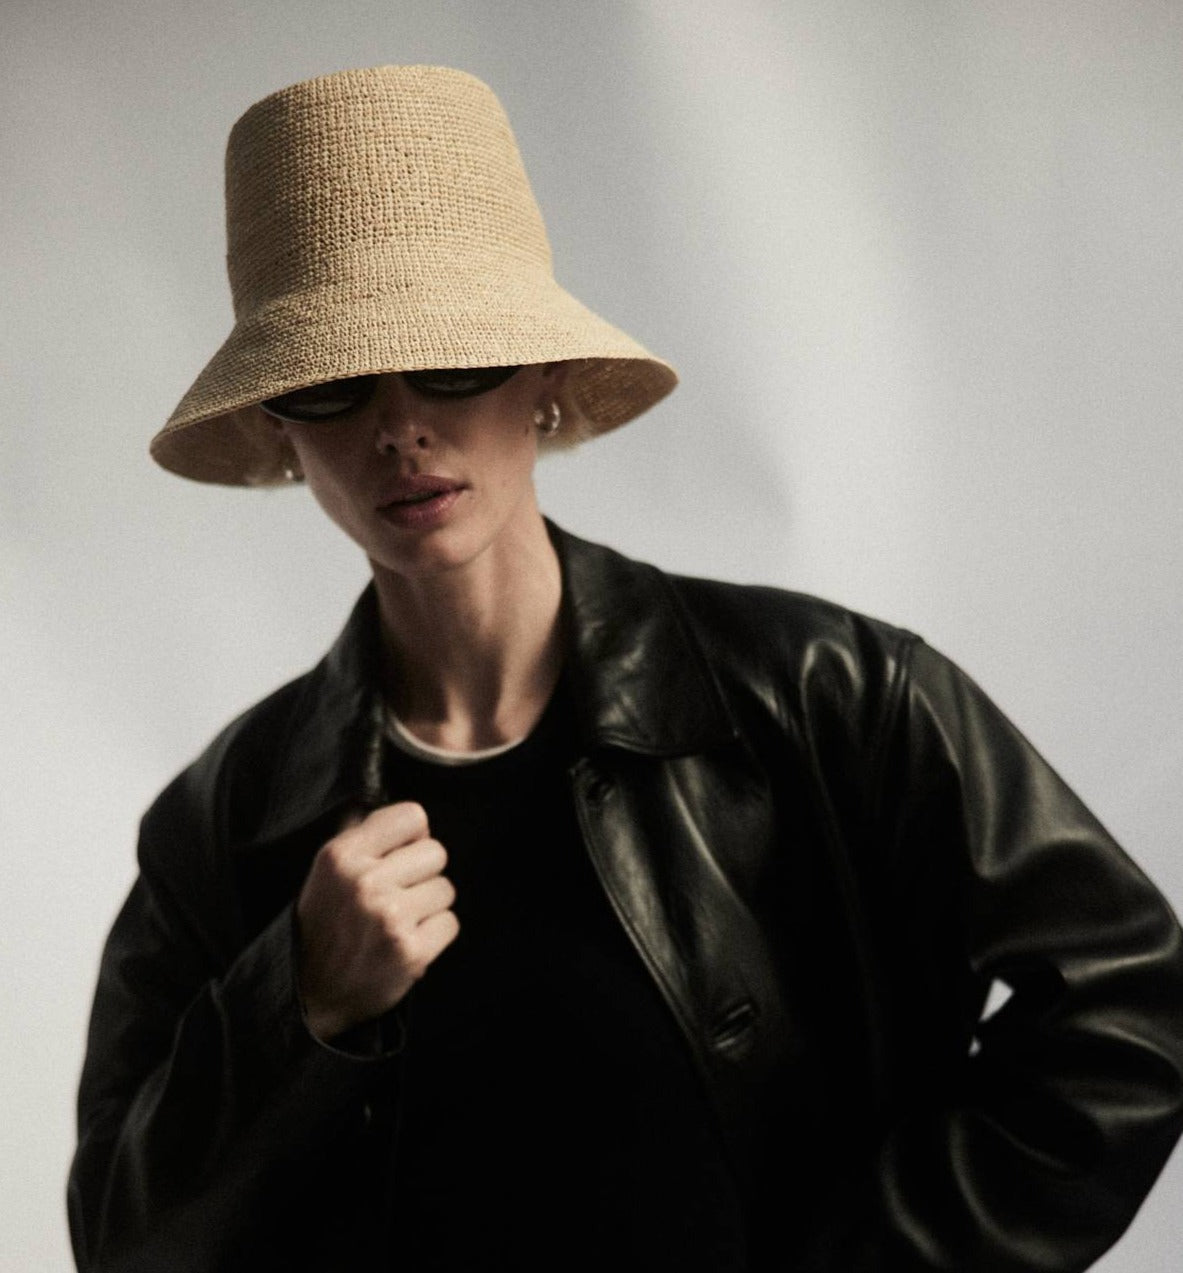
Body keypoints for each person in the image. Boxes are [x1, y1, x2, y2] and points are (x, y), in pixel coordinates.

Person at [69, 64, 1183, 1273]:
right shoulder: (228, 820)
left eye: (452, 360)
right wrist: (299, 1001)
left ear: (542, 379)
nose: (399, 426)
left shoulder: (826, 694)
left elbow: (1132, 1006)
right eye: (336, 383)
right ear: (281, 426)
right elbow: (124, 1246)